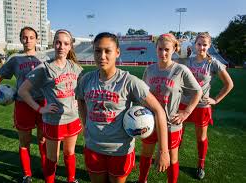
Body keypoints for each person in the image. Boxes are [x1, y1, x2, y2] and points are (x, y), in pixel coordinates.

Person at [76, 32, 170, 183]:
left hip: (120, 151)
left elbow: (159, 110)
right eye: (98, 51)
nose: (102, 56)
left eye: (108, 51)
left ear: (118, 53)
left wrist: (163, 150)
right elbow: (80, 99)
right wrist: (85, 123)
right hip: (93, 147)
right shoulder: (86, 79)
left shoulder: (129, 82)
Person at [0, 26, 49, 183]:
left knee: (43, 139)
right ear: (20, 39)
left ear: (37, 39)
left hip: (43, 103)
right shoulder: (14, 59)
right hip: (23, 104)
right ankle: (27, 174)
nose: (28, 40)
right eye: (25, 37)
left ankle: (47, 171)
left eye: (31, 37)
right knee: (24, 141)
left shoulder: (45, 58)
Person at [18, 29, 82, 183]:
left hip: (72, 118)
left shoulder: (74, 66)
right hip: (53, 121)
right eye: (58, 42)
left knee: (70, 152)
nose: (61, 46)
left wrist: (77, 101)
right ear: (53, 44)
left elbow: (78, 88)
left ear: (70, 47)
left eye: (65, 43)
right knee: (53, 157)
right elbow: (22, 91)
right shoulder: (44, 68)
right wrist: (40, 109)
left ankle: (71, 179)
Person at [138, 33, 203, 183]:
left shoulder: (180, 70)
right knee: (146, 154)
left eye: (167, 49)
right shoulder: (149, 69)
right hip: (150, 122)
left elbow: (197, 91)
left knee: (172, 159)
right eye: (160, 49)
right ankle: (142, 180)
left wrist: (186, 112)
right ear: (156, 49)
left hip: (171, 125)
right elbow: (143, 94)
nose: (163, 53)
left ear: (174, 49)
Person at [179, 32, 234, 179]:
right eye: (199, 44)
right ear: (195, 45)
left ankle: (200, 165)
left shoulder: (213, 63)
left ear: (209, 46)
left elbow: (229, 84)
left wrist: (216, 99)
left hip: (202, 106)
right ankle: (173, 160)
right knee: (178, 134)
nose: (201, 47)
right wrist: (179, 45)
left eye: (205, 44)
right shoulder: (187, 61)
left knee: (201, 138)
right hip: (184, 103)